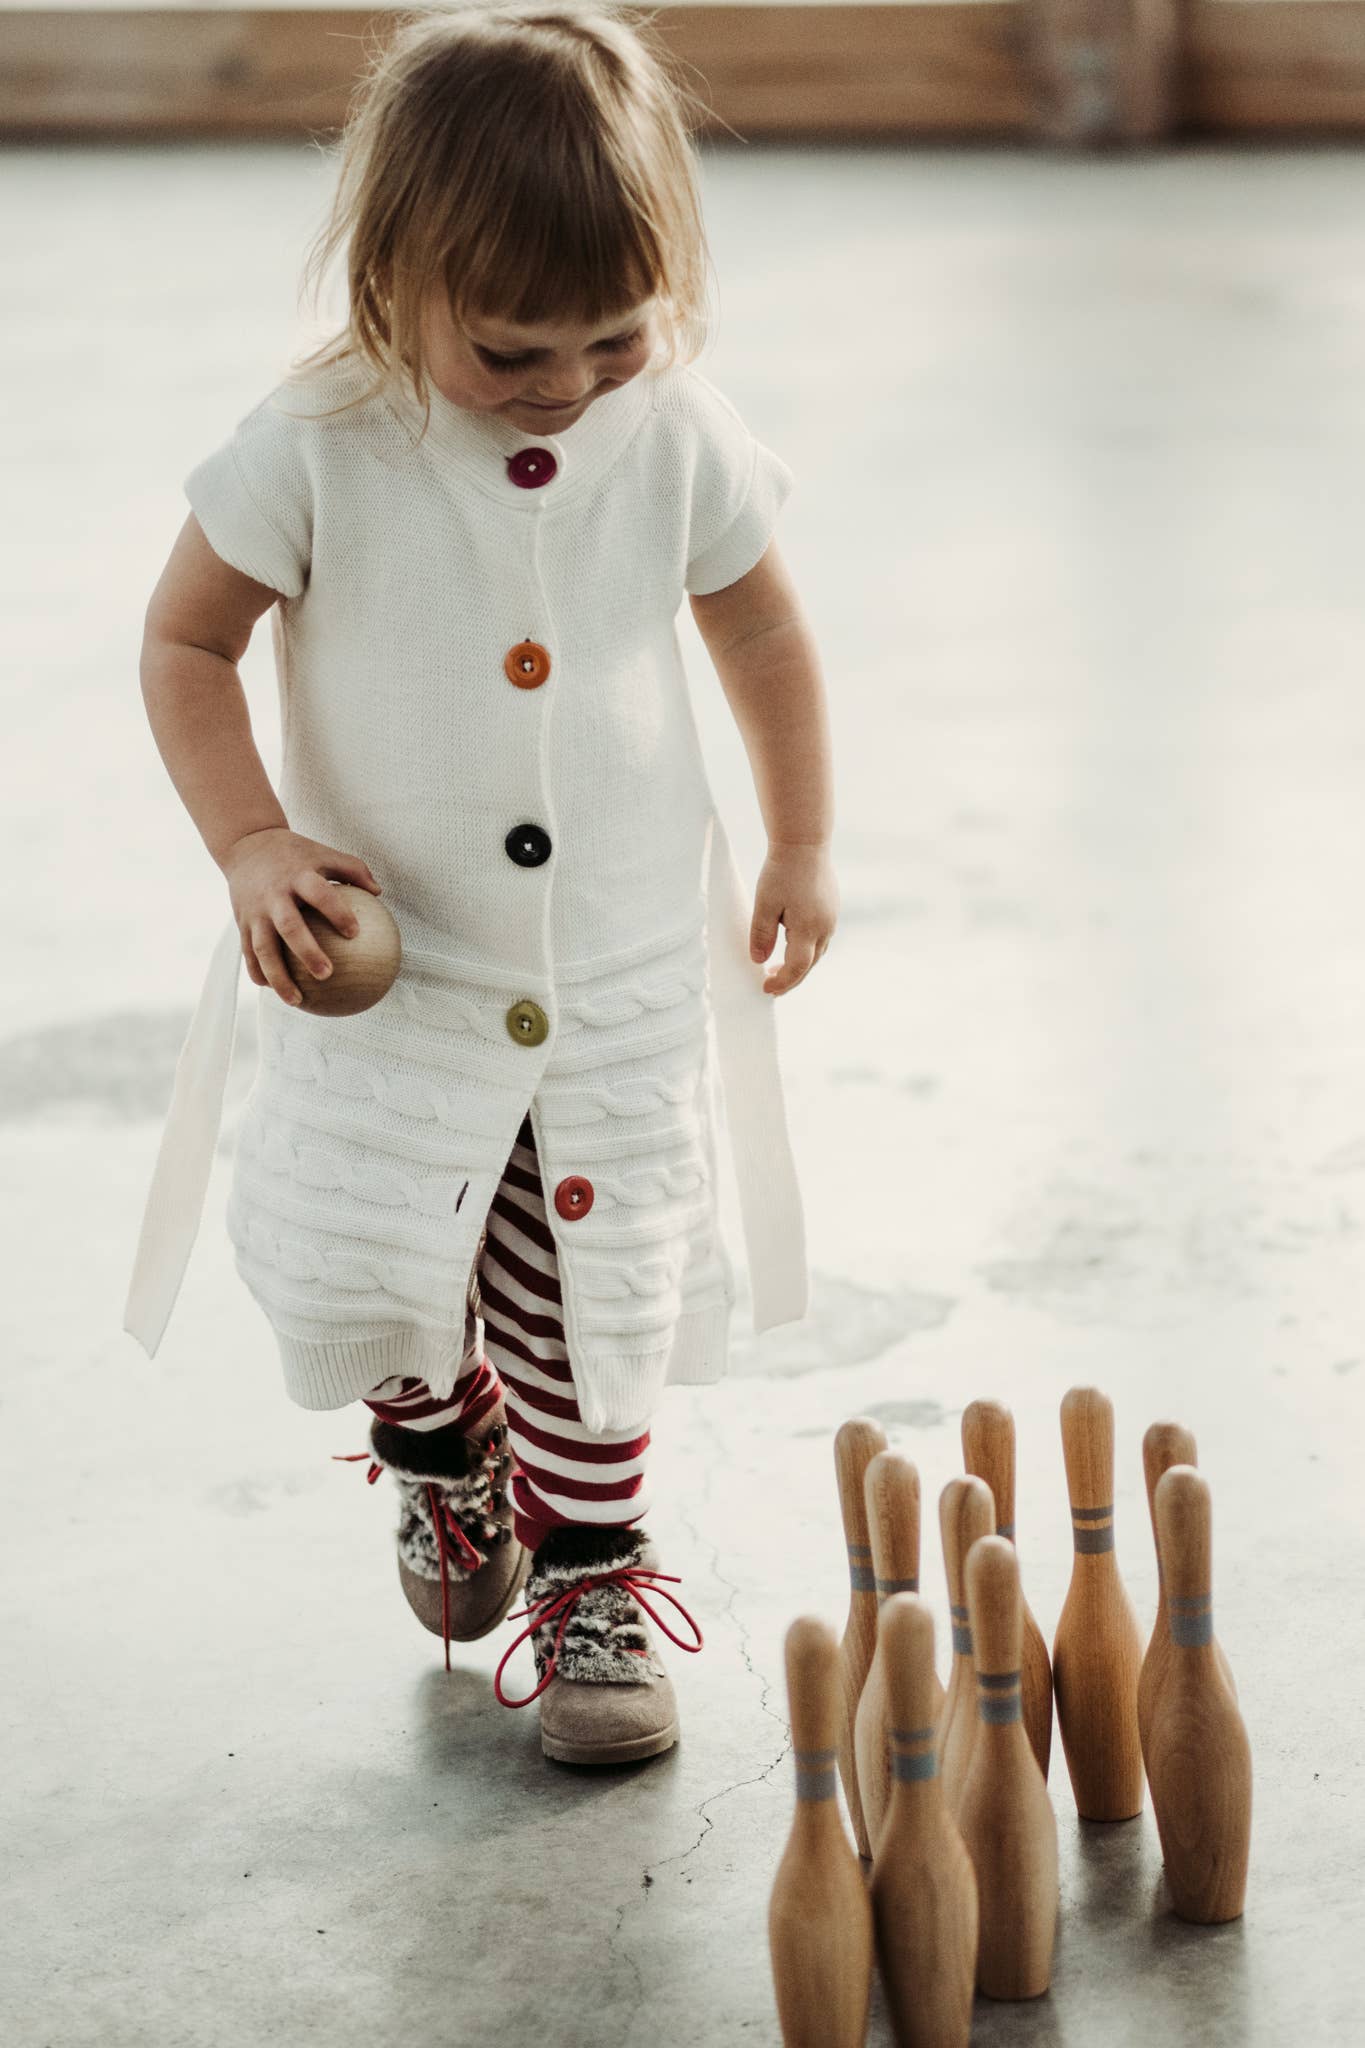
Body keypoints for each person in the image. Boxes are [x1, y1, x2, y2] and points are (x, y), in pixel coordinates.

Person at [126, 0, 836, 1768]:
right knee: (374, 1267)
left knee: (591, 1276)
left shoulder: (673, 431)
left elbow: (760, 630)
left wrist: (803, 836)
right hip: (394, 971)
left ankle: (591, 1569)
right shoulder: (316, 439)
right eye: (511, 349)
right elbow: (186, 642)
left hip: (605, 972)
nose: (566, 386)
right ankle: (440, 1450)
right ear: (391, 284)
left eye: (614, 335)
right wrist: (250, 841)